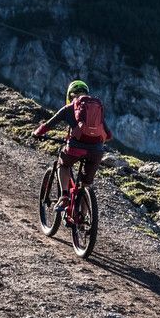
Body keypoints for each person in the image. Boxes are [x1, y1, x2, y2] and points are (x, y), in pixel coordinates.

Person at [33, 79, 112, 218]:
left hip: (75, 149)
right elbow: (109, 135)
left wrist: (37, 133)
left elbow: (49, 124)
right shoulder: (96, 109)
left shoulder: (69, 108)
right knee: (85, 184)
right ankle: (83, 217)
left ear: (70, 95)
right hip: (96, 152)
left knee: (63, 164)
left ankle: (64, 197)